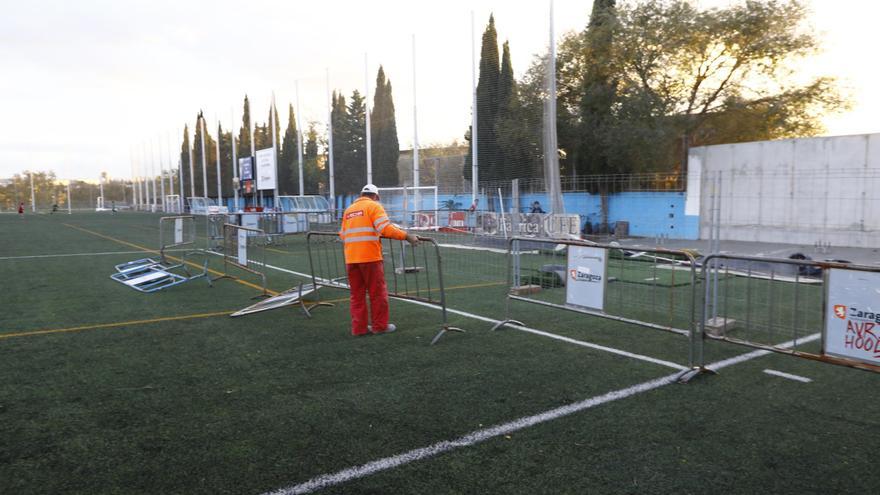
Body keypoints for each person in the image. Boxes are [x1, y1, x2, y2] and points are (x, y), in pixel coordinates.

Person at [339, 184, 419, 336]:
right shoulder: (374, 207)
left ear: (361, 194)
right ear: (376, 196)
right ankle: (380, 327)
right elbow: (385, 228)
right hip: (370, 258)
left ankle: (359, 329)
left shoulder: (349, 210)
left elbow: (342, 235)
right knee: (377, 294)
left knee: (357, 296)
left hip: (351, 258)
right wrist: (407, 236)